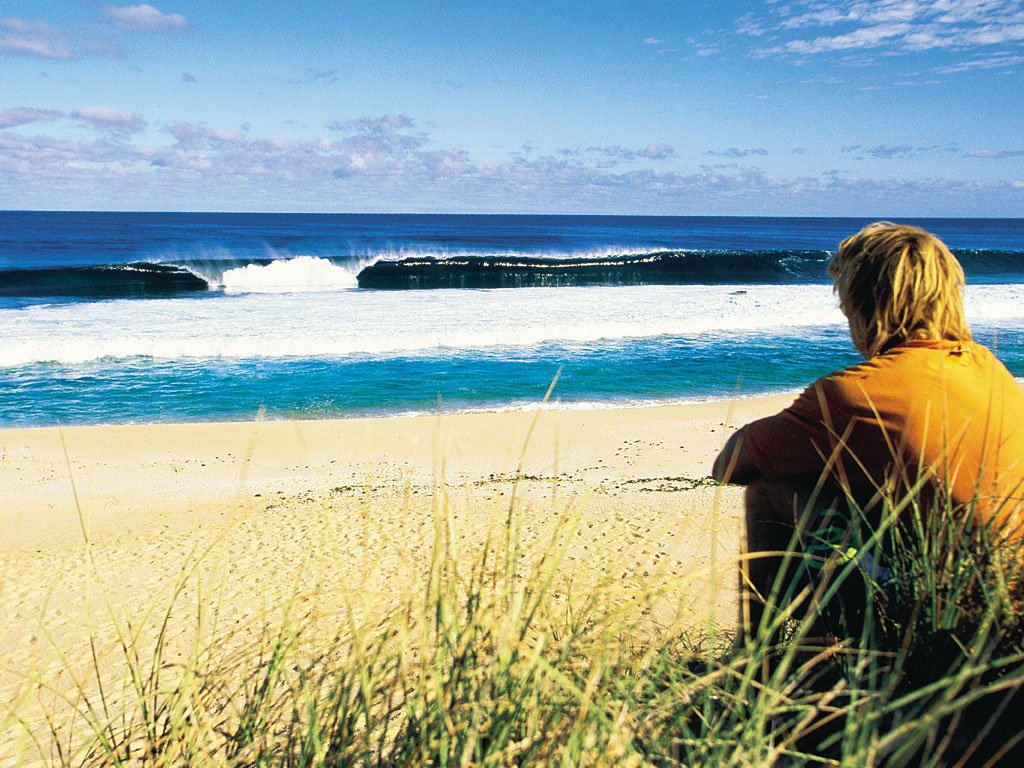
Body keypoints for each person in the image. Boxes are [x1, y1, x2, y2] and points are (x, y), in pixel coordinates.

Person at [712, 222, 1024, 641]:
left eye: (845, 299)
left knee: (768, 487)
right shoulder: (987, 365)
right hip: (1010, 600)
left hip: (945, 612)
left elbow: (729, 465)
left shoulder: (853, 394)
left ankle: (758, 657)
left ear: (863, 303)